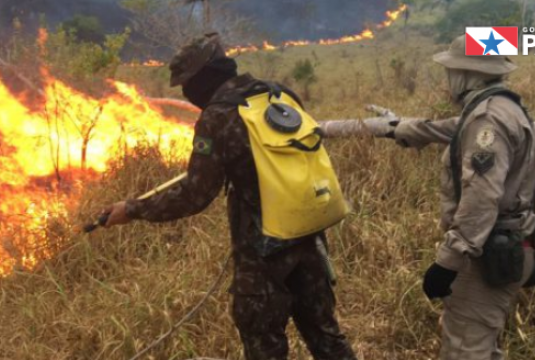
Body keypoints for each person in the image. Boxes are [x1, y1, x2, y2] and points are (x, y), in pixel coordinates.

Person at [100, 33, 357, 360]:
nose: (188, 94)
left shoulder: (218, 116)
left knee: (264, 344)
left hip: (264, 252)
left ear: (202, 78)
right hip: (310, 235)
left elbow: (194, 194)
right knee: (327, 337)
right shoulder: (278, 93)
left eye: (187, 85)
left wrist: (132, 209)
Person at [388, 35, 535, 359]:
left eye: (452, 70)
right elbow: (456, 129)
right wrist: (407, 129)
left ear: (468, 73)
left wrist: (448, 261)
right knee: (481, 347)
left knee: (464, 350)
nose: (448, 79)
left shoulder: (487, 119)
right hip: (509, 243)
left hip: (484, 253)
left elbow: (481, 196)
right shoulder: (502, 108)